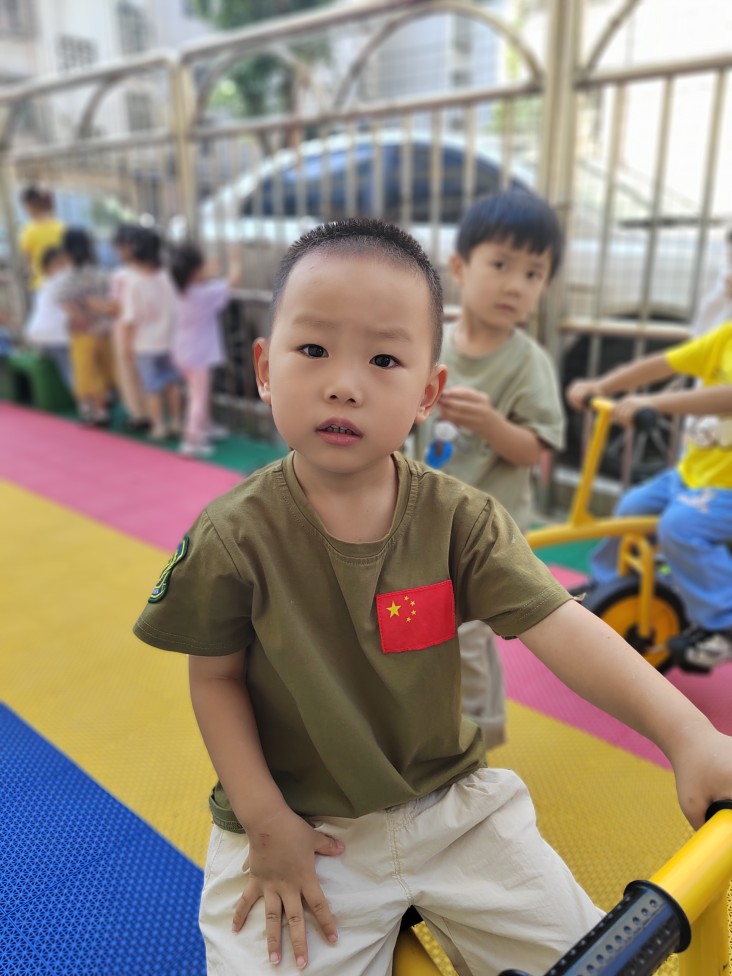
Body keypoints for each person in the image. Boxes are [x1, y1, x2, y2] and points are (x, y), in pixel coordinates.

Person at [133, 218, 732, 976]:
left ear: (428, 393)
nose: (344, 383)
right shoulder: (233, 535)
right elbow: (215, 679)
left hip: (449, 806)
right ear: (264, 368)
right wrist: (265, 821)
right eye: (313, 349)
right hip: (299, 823)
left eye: (383, 359)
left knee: (585, 959)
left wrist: (687, 735)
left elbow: (560, 624)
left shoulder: (460, 520)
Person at [414, 189, 565, 749]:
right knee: (419, 628)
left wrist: (493, 424)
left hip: (486, 536)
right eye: (501, 264)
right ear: (459, 268)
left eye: (533, 273)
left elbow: (532, 450)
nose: (516, 285)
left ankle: (473, 743)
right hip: (423, 521)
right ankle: (424, 724)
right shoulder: (433, 343)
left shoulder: (528, 362)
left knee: (467, 637)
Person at [566, 320, 732, 671]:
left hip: (726, 490)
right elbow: (662, 363)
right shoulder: (726, 337)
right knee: (633, 507)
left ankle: (724, 623)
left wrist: (653, 402)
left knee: (681, 526)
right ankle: (611, 583)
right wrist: (603, 385)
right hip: (691, 475)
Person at [169, 242, 240, 458]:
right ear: (195, 271)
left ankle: (206, 427)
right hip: (198, 356)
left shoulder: (180, 291)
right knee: (198, 398)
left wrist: (205, 269)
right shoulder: (203, 295)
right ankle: (191, 440)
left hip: (182, 353)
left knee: (197, 393)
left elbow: (198, 279)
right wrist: (236, 260)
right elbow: (232, 281)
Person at [118, 227, 182, 442]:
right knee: (171, 383)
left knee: (152, 388)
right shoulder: (166, 277)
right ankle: (176, 421)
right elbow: (175, 308)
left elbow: (130, 318)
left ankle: (159, 426)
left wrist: (126, 345)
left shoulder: (134, 283)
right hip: (168, 341)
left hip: (145, 344)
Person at [57, 227, 116, 426]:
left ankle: (96, 411)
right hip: (104, 330)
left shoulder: (68, 277)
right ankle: (103, 407)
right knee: (103, 369)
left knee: (88, 373)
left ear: (66, 252)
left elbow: (67, 302)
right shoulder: (102, 273)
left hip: (83, 332)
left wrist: (79, 317)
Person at [110, 223, 149, 432]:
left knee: (129, 372)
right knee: (147, 373)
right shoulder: (153, 272)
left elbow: (116, 307)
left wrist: (95, 306)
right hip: (149, 329)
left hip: (125, 327)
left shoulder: (121, 276)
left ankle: (138, 414)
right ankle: (150, 413)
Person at [23, 245, 73, 392]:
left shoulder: (45, 284)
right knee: (70, 369)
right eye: (59, 264)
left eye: (65, 262)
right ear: (47, 268)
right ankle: (84, 400)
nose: (64, 267)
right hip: (56, 335)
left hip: (38, 334)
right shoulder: (60, 282)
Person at [19, 186, 65, 292]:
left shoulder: (29, 231)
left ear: (29, 206)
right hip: (60, 282)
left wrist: (29, 274)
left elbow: (28, 261)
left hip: (40, 284)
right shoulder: (61, 227)